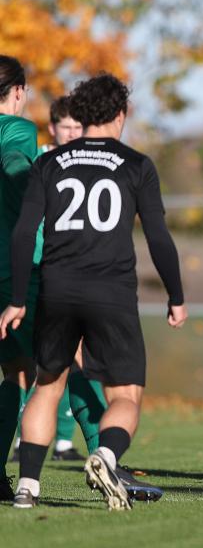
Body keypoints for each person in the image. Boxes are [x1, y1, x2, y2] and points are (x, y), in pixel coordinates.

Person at [1, 73, 188, 510]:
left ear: (80, 115)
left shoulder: (49, 164)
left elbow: (24, 232)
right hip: (112, 291)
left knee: (47, 386)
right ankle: (105, 456)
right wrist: (175, 295)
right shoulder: (137, 164)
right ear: (120, 115)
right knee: (125, 394)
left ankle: (27, 487)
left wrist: (16, 300)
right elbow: (159, 237)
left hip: (56, 288)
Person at [12, 94, 107, 463]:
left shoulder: (90, 165)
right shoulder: (37, 161)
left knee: (71, 363)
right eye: (65, 125)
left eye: (76, 126)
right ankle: (99, 454)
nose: (71, 132)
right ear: (52, 127)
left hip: (70, 273)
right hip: (41, 272)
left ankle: (70, 447)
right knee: (42, 366)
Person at [0, 55, 39, 502]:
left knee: (13, 373)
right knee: (63, 362)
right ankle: (109, 458)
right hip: (14, 269)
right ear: (17, 92)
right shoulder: (19, 130)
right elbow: (15, 162)